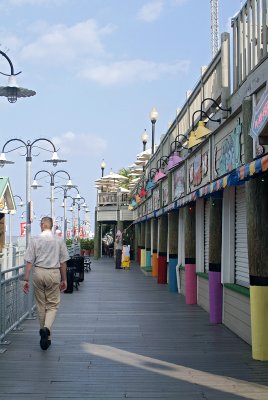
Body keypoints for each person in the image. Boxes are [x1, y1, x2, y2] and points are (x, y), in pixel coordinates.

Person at [23, 216, 70, 350]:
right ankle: (47, 329)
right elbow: (63, 262)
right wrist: (64, 279)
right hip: (53, 273)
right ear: (51, 226)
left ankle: (46, 337)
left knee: (41, 305)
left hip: (38, 273)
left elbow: (29, 262)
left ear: (43, 225)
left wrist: (26, 279)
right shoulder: (59, 240)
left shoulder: (34, 240)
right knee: (53, 305)